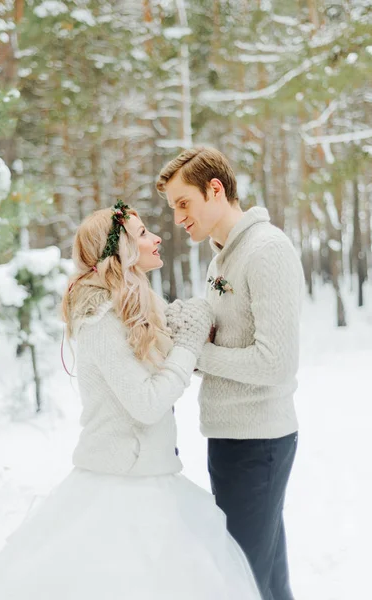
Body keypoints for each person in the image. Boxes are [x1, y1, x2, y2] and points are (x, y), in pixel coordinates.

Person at [0, 201, 261, 600]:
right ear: (121, 252)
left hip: (156, 479)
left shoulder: (137, 304)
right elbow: (146, 402)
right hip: (118, 491)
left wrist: (182, 325)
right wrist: (189, 345)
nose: (157, 237)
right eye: (142, 233)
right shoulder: (99, 320)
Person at [157, 147, 305, 600]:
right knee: (265, 578)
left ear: (215, 189)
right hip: (233, 439)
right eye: (173, 208)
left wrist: (195, 354)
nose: (179, 217)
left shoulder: (266, 249)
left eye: (184, 203)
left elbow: (276, 363)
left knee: (241, 580)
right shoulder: (220, 259)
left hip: (257, 443)